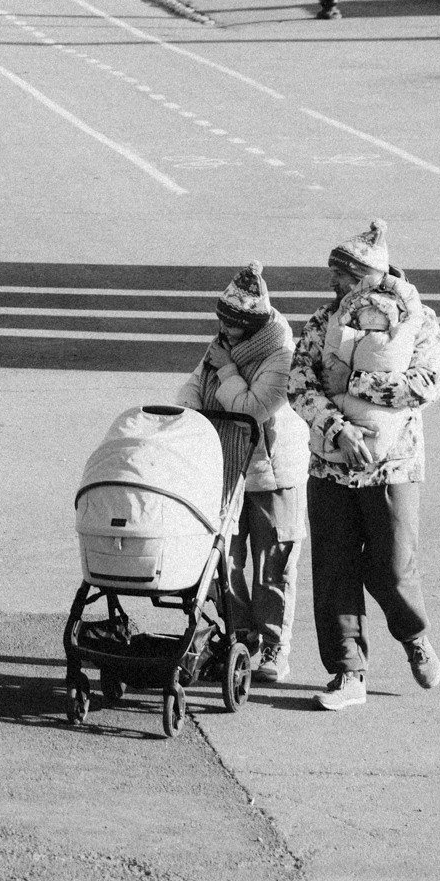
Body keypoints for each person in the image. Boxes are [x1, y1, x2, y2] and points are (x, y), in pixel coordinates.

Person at [288, 220, 440, 710]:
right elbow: (299, 383)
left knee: (392, 565)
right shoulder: (320, 323)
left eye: (341, 275)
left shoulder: (419, 320)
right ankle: (347, 674)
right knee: (334, 569)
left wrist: (351, 382)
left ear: (366, 277)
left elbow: (421, 385)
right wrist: (338, 429)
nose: (332, 284)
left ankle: (413, 635)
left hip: (392, 468)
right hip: (330, 465)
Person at [177, 262, 308, 685]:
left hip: (273, 472)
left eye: (233, 325)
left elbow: (253, 407)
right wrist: (188, 414)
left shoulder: (282, 354)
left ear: (253, 326)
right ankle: (240, 633)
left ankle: (274, 645)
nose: (224, 329)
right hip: (227, 467)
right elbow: (196, 383)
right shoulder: (222, 344)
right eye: (221, 322)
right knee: (222, 559)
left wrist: (228, 368)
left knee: (273, 562)